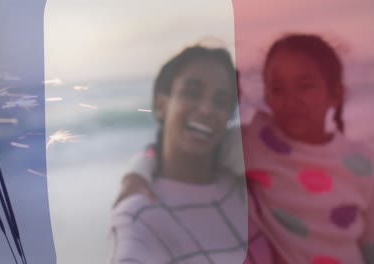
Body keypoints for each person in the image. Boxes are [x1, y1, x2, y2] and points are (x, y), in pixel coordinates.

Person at [115, 33, 374, 264]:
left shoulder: (364, 162)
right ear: (267, 97)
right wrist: (137, 174)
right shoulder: (257, 143)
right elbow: (190, 142)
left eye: (305, 86)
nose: (291, 99)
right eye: (278, 88)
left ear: (335, 93)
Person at [108, 44, 273, 264]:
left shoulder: (246, 188)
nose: (206, 109)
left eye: (221, 101)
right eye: (192, 93)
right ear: (160, 104)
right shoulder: (138, 216)